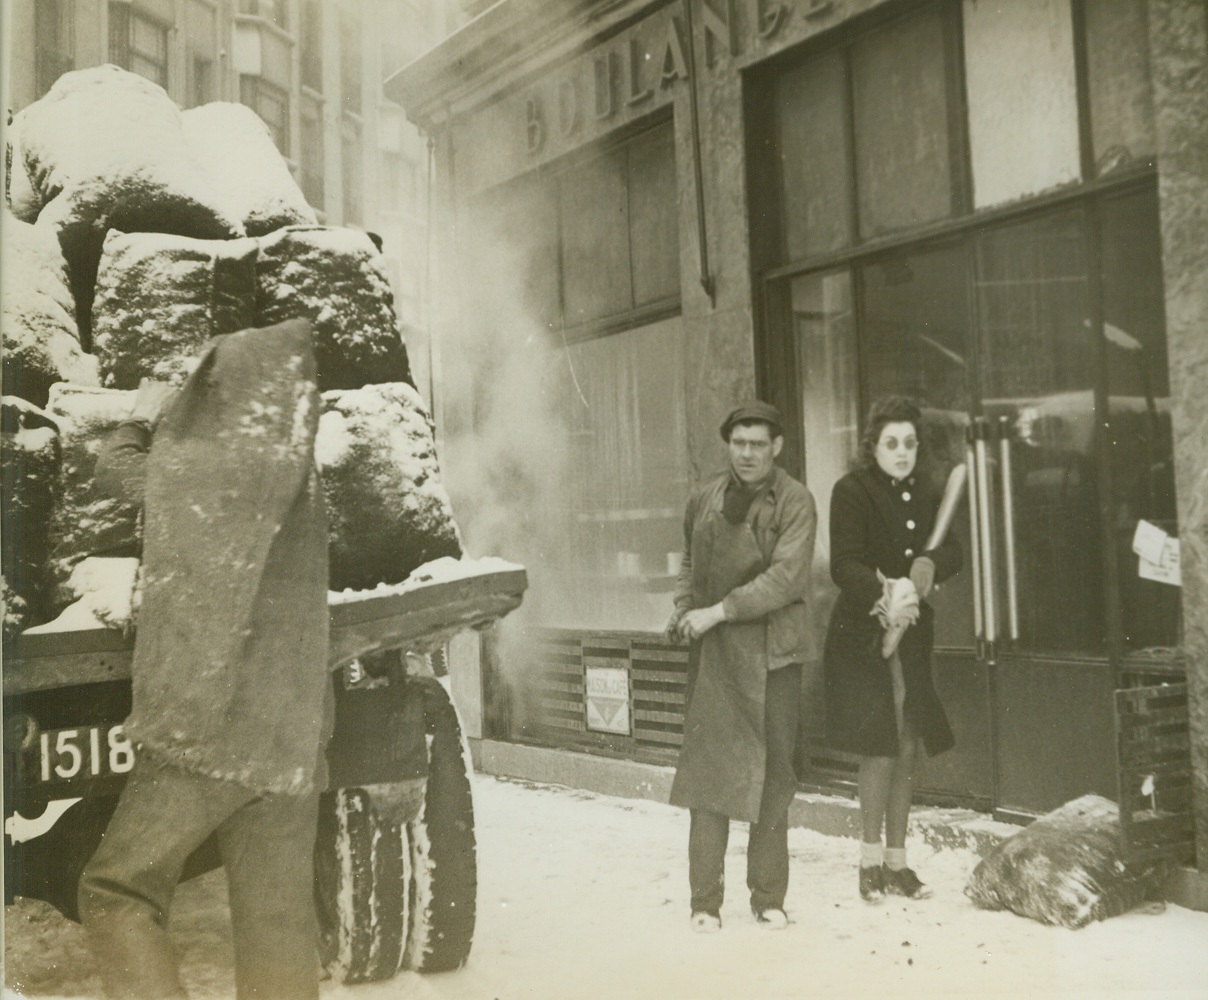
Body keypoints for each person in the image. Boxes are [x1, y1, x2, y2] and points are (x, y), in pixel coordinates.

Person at [78, 318, 332, 999]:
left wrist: (142, 415)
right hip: (293, 742)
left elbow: (118, 472)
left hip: (211, 734)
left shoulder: (204, 471)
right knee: (277, 927)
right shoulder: (299, 477)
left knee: (114, 891)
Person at [665, 400, 816, 933]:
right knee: (709, 774)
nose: (747, 453)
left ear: (776, 447)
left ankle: (768, 897)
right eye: (739, 443)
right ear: (728, 445)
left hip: (774, 656)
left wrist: (717, 611)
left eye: (758, 444)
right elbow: (686, 559)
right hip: (715, 655)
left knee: (774, 775)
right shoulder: (704, 498)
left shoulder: (795, 502)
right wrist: (684, 608)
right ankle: (704, 904)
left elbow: (787, 579)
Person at [822, 396, 961, 903]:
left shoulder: (926, 491)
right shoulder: (851, 491)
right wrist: (887, 593)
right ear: (873, 446)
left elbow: (952, 549)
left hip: (914, 636)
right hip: (865, 636)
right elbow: (844, 565)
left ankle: (899, 864)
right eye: (891, 443)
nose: (901, 453)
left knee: (906, 740)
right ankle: (868, 861)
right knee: (878, 745)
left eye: (909, 443)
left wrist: (927, 568)